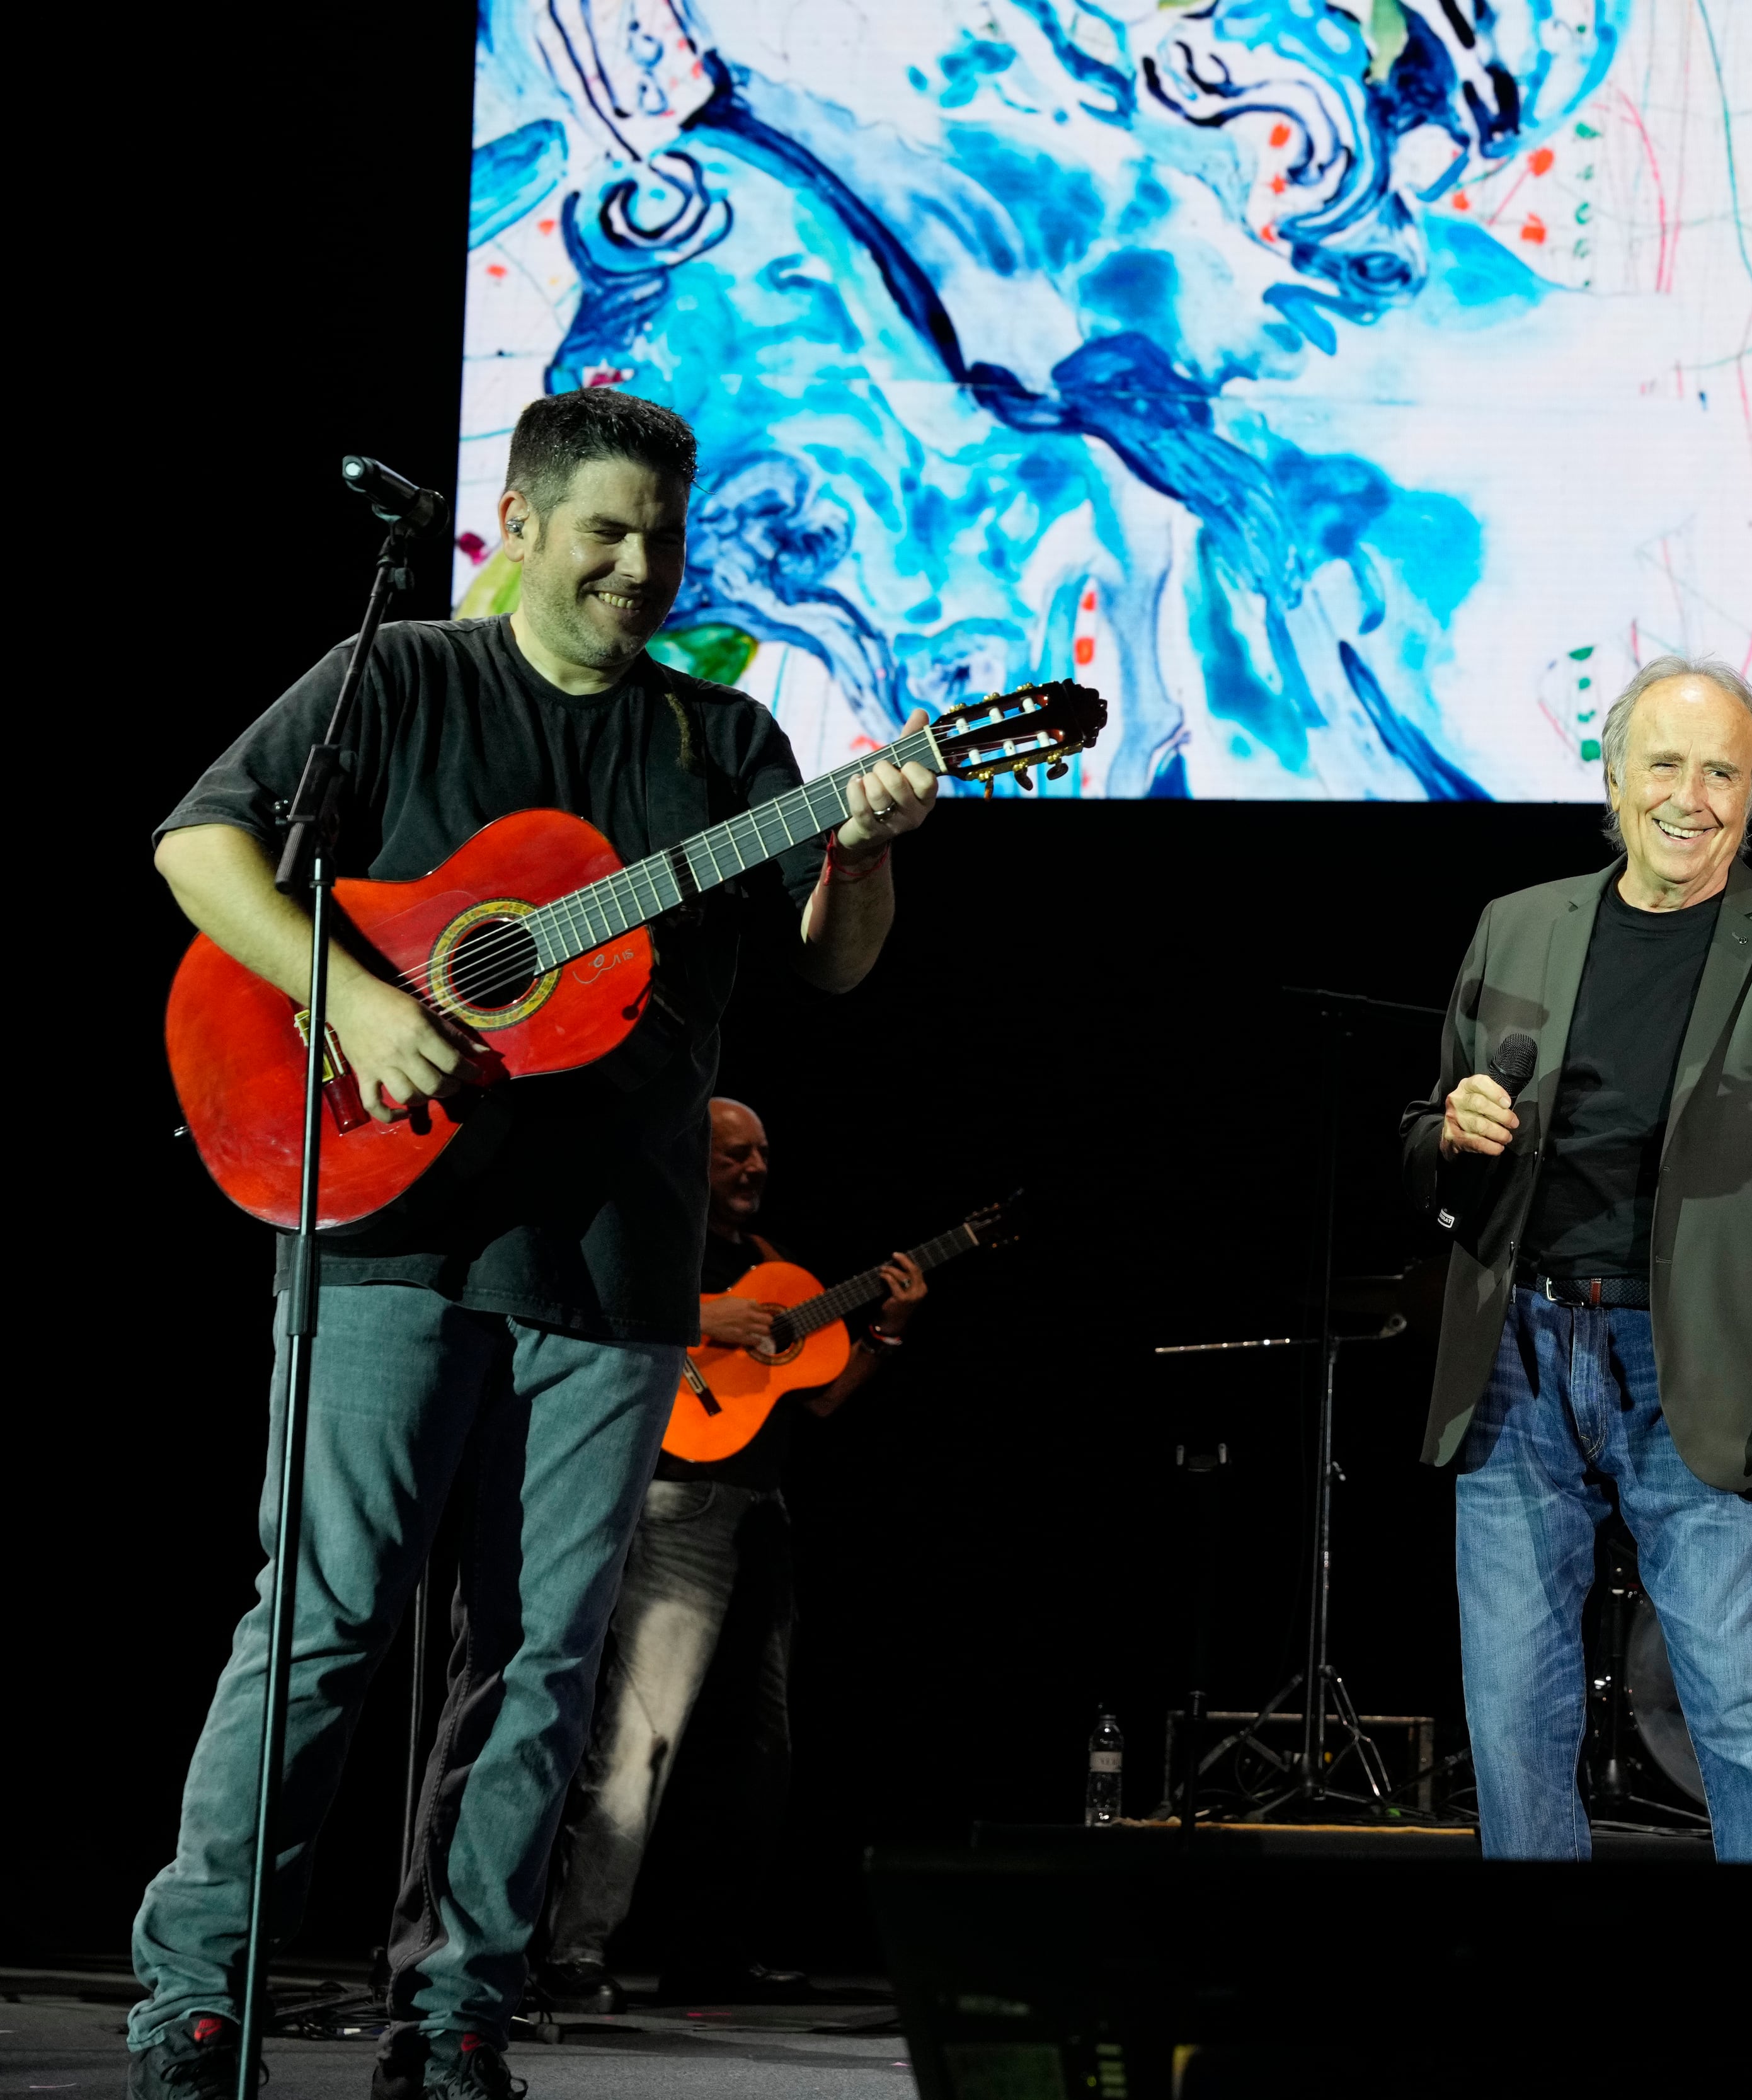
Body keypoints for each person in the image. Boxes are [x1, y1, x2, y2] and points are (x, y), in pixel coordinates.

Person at [132, 387, 936, 2100]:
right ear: (518, 522)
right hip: (384, 1239)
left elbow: (837, 965)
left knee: (549, 1655)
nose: (639, 566)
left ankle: (461, 2010)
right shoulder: (404, 677)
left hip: (618, 1267)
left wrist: (860, 852)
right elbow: (198, 842)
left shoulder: (723, 746)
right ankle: (199, 1988)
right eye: (607, 531)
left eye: (662, 537)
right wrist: (349, 993)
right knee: (325, 1621)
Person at [1399, 655, 1752, 1862]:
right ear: (1616, 779)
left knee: (1743, 1700)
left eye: (1722, 771)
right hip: (1517, 1358)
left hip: (1701, 1365)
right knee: (1512, 1714)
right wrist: (1450, 1136)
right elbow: (1429, 1143)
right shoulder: (1516, 925)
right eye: (1666, 764)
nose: (1692, 795)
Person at [531, 1096, 925, 2013]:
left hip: (761, 1511)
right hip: (677, 1505)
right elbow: (587, 1303)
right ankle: (575, 1949)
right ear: (690, 1156)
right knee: (642, 1736)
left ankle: (710, 1949)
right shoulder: (652, 1234)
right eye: (733, 1155)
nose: (754, 1169)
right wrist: (707, 1314)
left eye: (763, 1155)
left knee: (759, 1750)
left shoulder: (773, 1266)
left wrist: (888, 1331)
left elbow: (819, 1395)